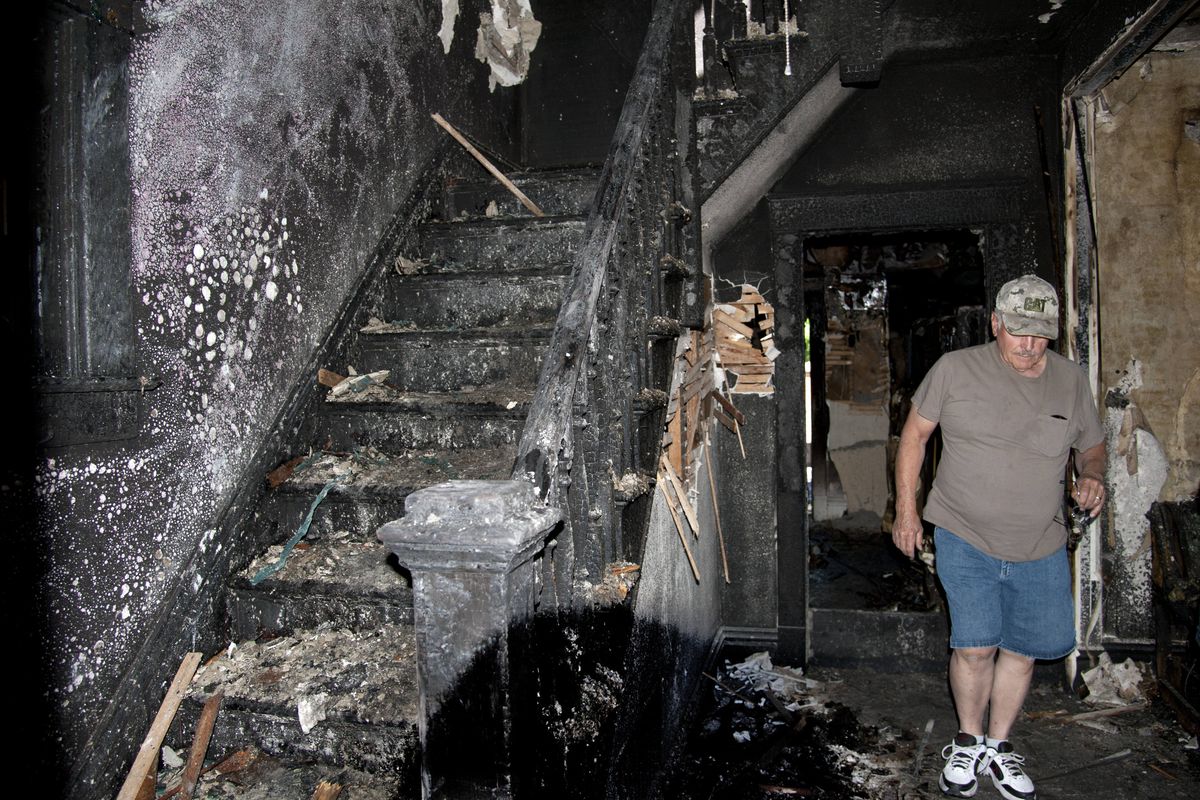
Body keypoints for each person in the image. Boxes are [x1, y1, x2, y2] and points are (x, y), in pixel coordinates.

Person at [892, 274, 1106, 800]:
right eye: (1018, 332)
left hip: (1041, 542)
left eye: (1040, 334)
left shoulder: (1071, 380)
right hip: (965, 533)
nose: (1030, 345)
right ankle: (967, 741)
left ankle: (999, 746)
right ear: (996, 324)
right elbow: (915, 436)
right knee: (975, 646)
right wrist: (907, 511)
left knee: (1023, 649)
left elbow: (1092, 448)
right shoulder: (955, 370)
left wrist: (1093, 475)